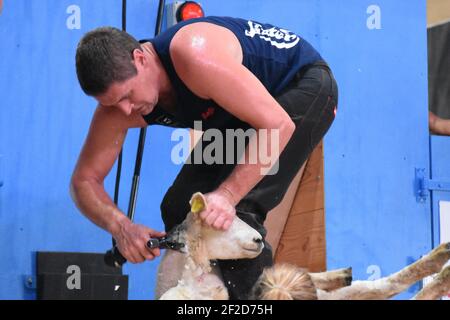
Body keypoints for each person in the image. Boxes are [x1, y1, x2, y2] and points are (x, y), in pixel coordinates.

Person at [71, 16, 338, 300]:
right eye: (113, 103)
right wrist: (122, 227)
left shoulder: (194, 54)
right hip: (243, 114)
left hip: (300, 87)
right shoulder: (119, 109)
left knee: (234, 215)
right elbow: (84, 181)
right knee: (179, 208)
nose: (125, 111)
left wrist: (227, 194)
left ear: (141, 58)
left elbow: (277, 125)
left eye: (128, 95)